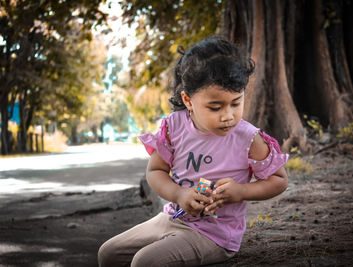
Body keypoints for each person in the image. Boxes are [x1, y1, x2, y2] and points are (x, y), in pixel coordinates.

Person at [98, 36, 289, 267]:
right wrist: (179, 195)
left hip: (214, 234)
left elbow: (278, 180)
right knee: (108, 254)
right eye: (215, 107)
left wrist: (240, 191)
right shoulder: (174, 127)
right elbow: (156, 171)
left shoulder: (247, 137)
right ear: (188, 100)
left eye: (236, 103)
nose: (228, 115)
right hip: (171, 218)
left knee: (145, 262)